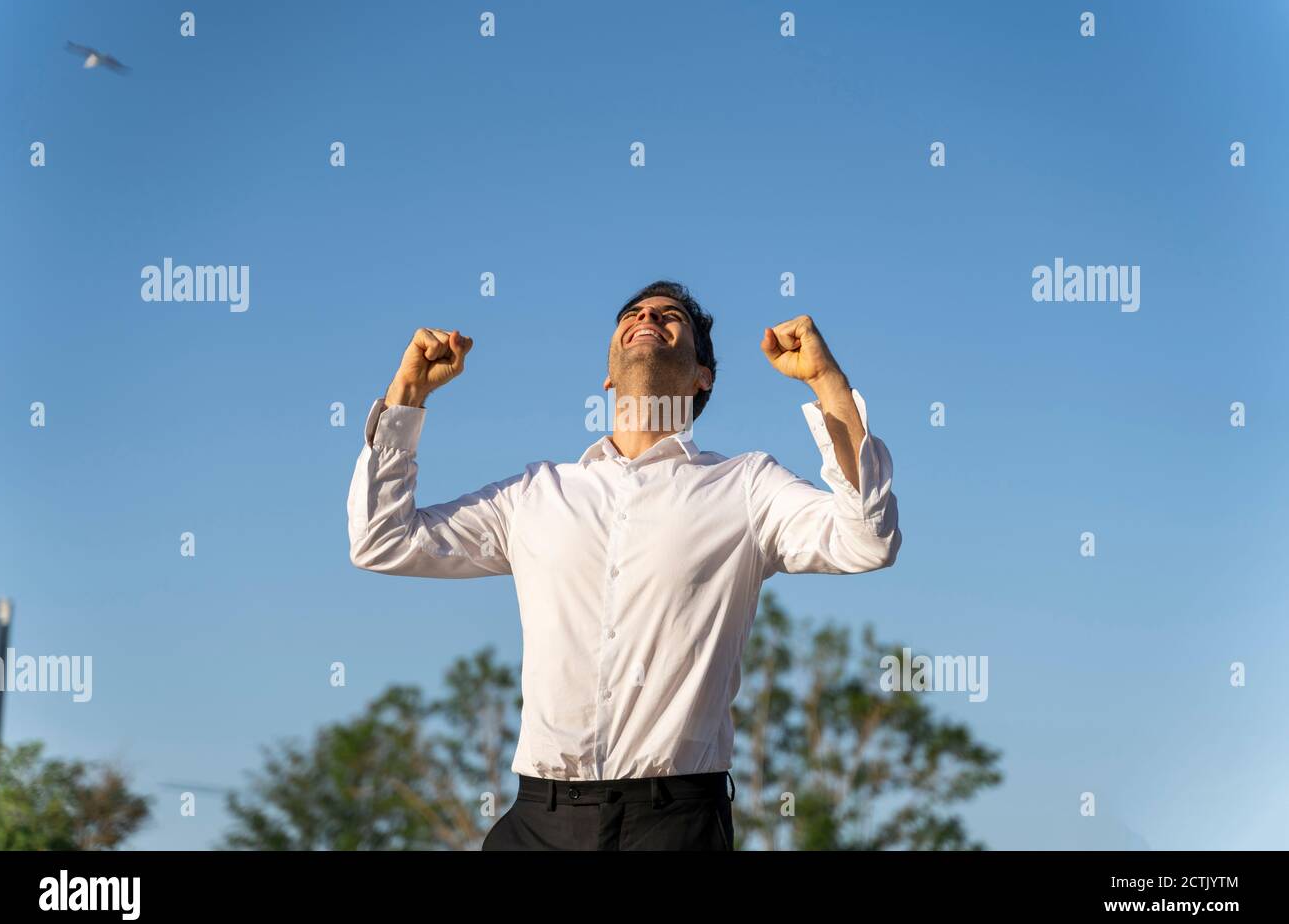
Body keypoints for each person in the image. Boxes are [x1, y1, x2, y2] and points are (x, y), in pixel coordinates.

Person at [346, 280, 901, 850]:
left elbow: (867, 537)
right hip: (537, 820)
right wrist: (408, 392)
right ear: (608, 374)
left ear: (701, 377)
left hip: (674, 824)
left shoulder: (747, 487)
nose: (648, 317)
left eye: (670, 316)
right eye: (632, 313)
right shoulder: (535, 493)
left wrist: (826, 382)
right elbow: (381, 539)